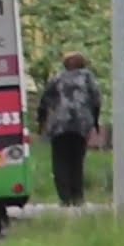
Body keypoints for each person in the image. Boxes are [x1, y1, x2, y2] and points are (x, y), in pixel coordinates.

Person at [37, 52, 102, 206]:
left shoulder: (58, 78)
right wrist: (95, 121)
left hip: (60, 125)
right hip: (81, 125)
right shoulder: (88, 78)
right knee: (77, 160)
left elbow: (44, 101)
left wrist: (42, 122)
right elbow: (97, 100)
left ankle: (65, 198)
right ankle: (77, 196)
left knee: (60, 161)